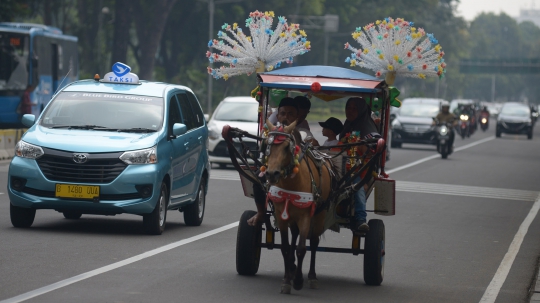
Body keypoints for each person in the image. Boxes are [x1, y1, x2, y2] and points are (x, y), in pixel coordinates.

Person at [247, 97, 300, 227]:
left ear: (296, 116)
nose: (286, 117)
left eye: (290, 114)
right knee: (257, 179)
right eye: (283, 113)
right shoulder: (269, 130)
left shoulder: (301, 131)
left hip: (294, 171)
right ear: (278, 115)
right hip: (271, 167)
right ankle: (261, 212)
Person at [339, 97, 380, 233]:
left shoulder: (368, 130)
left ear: (361, 111)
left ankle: (361, 219)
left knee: (358, 187)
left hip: (358, 171)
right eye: (348, 108)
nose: (349, 111)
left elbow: (369, 158)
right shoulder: (348, 125)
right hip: (339, 167)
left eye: (354, 109)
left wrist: (365, 179)